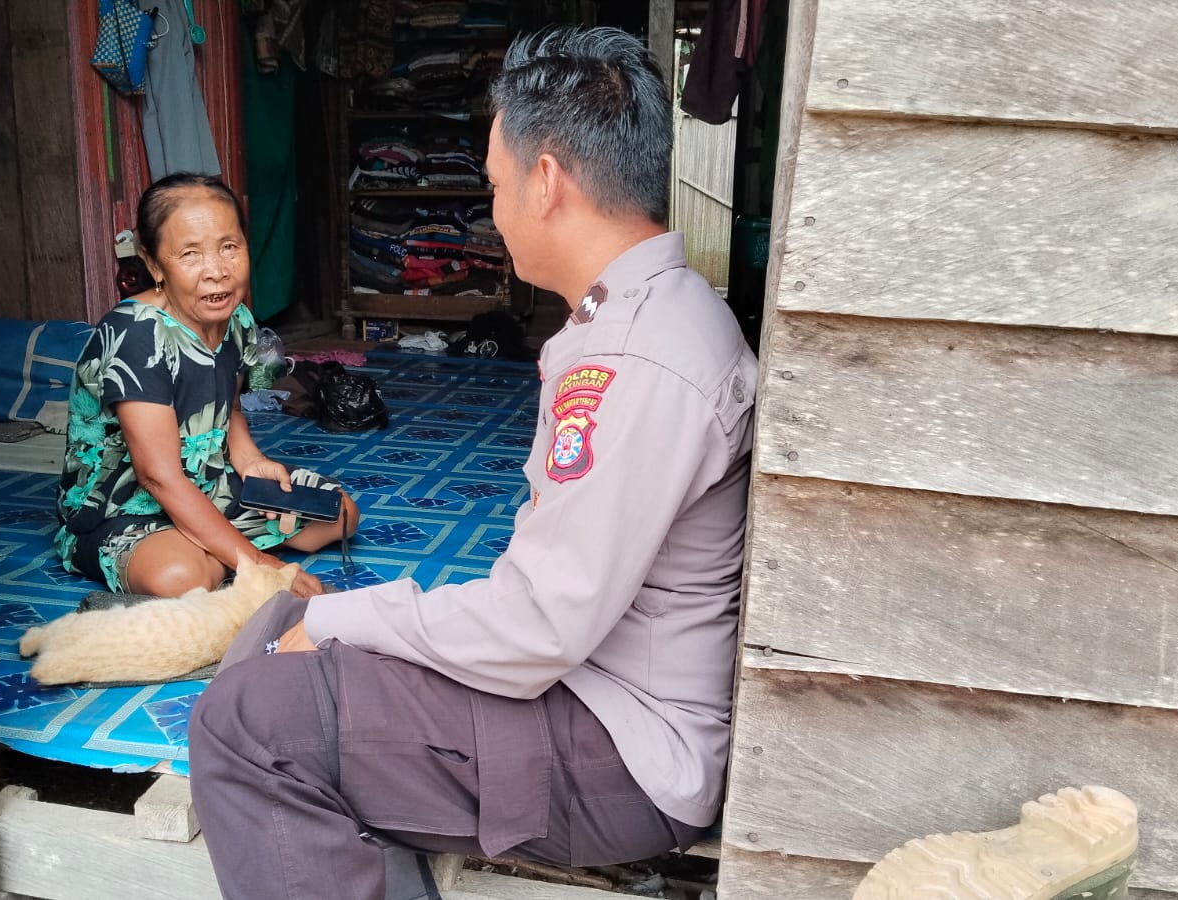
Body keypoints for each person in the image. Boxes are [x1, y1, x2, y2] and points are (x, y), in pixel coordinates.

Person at [189, 27, 758, 899]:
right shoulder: (639, 318)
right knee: (274, 634)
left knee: (247, 722)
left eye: (494, 185)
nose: (492, 212)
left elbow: (537, 630)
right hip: (587, 694)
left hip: (617, 749)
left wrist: (356, 621)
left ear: (547, 181)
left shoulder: (640, 361)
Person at [55, 173, 358, 600]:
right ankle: (217, 551)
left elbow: (226, 409)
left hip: (210, 483)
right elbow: (157, 477)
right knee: (181, 577)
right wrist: (263, 566)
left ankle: (215, 549)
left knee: (340, 513)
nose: (217, 272)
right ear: (155, 264)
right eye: (190, 254)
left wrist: (251, 459)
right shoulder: (137, 336)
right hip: (125, 507)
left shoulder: (237, 320)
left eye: (229, 247)